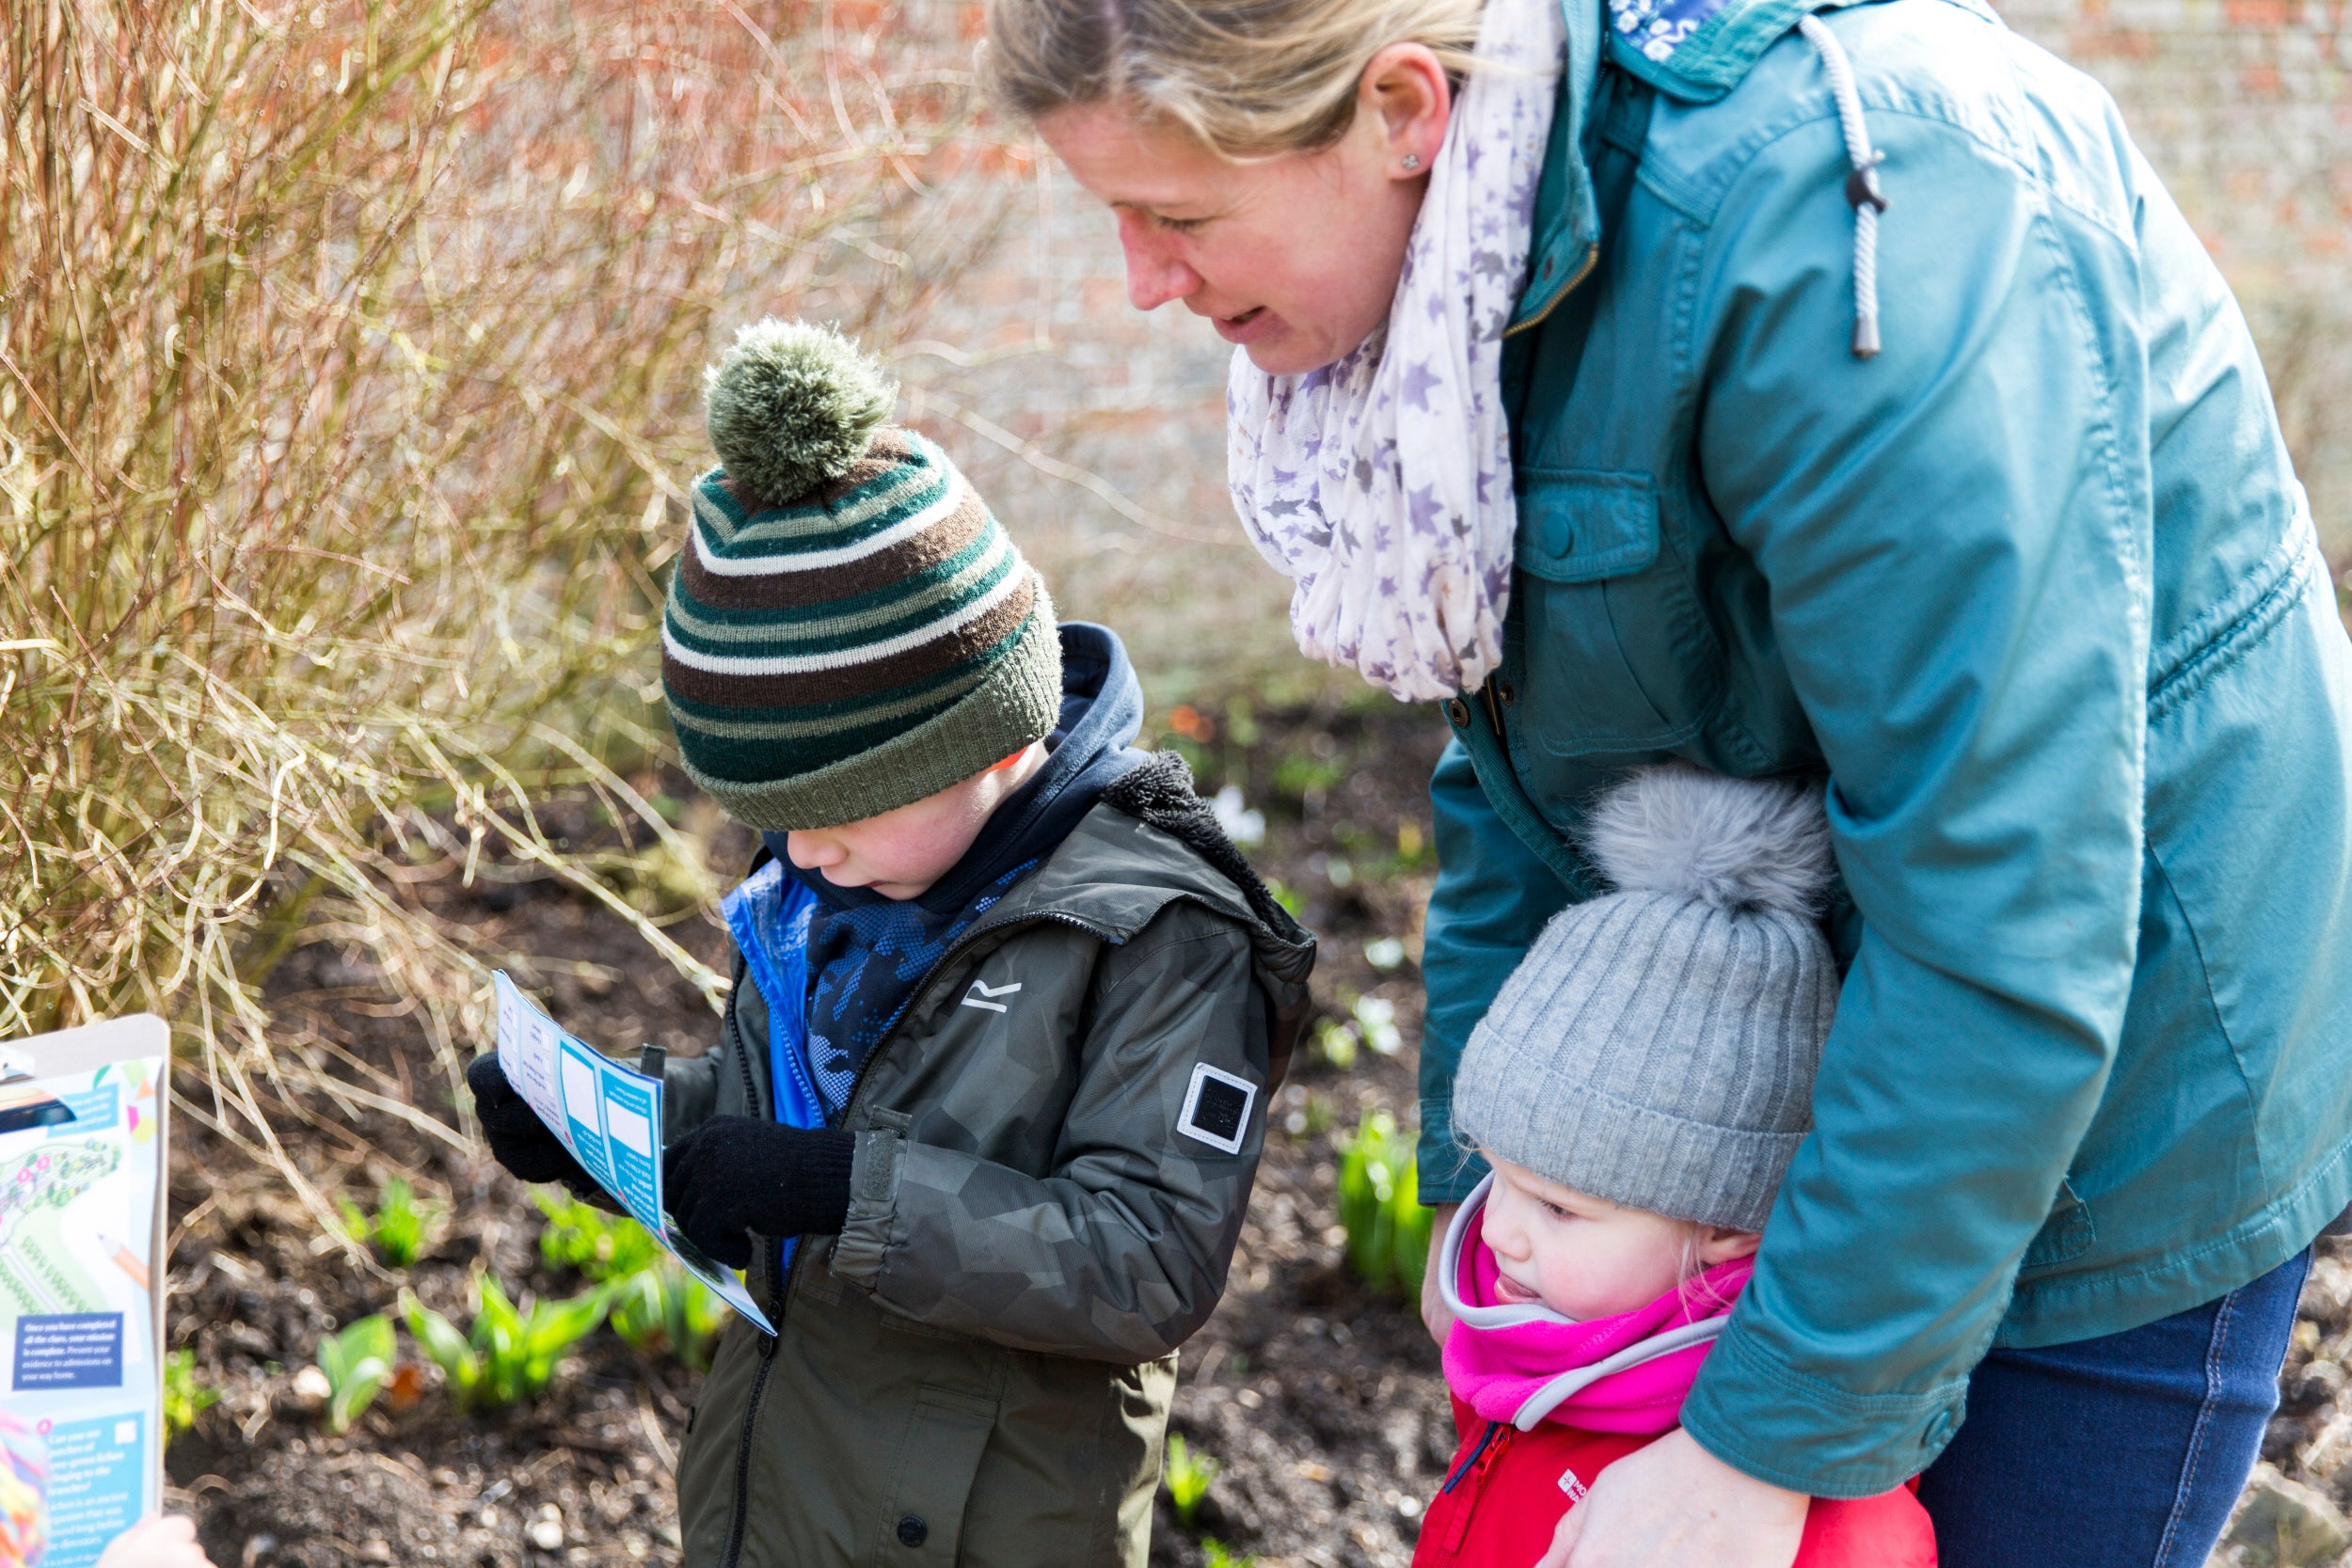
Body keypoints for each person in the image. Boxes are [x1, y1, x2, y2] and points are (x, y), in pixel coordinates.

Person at [981, 0, 2352, 1561]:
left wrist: (1770, 1436)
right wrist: (1495, 1177)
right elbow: (1529, 761)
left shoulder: (1852, 237)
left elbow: (2004, 893)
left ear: (1404, 114)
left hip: (2110, 1103)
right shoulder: (1456, 297)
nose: (1142, 280)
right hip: (1799, 1065)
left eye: (1176, 214)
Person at [468, 320, 1315, 1565]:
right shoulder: (832, 877)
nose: (801, 850)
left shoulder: (1157, 933)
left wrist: (844, 1191)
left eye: (839, 811)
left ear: (983, 736)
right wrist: (604, 1128)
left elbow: (1147, 1259)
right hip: (778, 1499)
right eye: (775, 815)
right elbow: (773, 1119)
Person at [1417, 765, 1933, 1566]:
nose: (1497, 1232)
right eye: (1496, 1175)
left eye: (1558, 1206)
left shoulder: (1808, 1528)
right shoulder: (1524, 1342)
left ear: (1726, 1223)